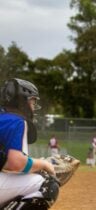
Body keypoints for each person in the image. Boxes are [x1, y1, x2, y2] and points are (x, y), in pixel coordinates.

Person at [0, 78, 60, 209]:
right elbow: (17, 163)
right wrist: (43, 164)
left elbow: (6, 162)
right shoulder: (17, 121)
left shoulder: (2, 118)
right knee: (46, 184)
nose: (33, 107)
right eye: (32, 102)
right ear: (22, 101)